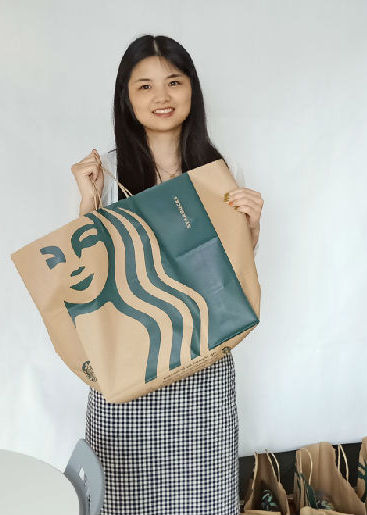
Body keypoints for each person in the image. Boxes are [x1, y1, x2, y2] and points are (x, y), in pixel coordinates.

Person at [70, 34, 263, 515]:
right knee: (124, 497)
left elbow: (230, 275)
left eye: (174, 82)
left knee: (203, 497)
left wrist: (252, 228)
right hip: (130, 363)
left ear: (192, 89)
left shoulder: (220, 171)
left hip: (203, 364)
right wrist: (88, 202)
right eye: (145, 86)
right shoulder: (108, 171)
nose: (162, 96)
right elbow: (88, 280)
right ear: (127, 98)